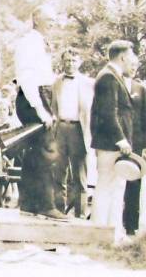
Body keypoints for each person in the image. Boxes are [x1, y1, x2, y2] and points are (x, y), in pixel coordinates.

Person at [13, 5, 65, 220]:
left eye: (54, 20)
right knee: (46, 151)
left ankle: (28, 203)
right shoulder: (29, 42)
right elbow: (26, 77)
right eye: (49, 19)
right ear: (36, 19)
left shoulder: (40, 43)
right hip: (34, 97)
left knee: (34, 153)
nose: (53, 24)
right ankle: (45, 205)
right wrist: (40, 109)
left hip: (43, 95)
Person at [90, 40, 137, 243]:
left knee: (116, 188)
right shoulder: (108, 77)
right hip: (111, 144)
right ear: (123, 56)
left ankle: (113, 232)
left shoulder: (113, 76)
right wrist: (120, 139)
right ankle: (100, 233)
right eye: (131, 55)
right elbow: (109, 113)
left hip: (114, 144)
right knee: (107, 187)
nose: (133, 60)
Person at [49, 47, 93, 219]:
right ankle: (59, 211)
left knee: (80, 174)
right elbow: (52, 106)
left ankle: (80, 213)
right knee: (58, 172)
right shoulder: (56, 82)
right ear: (62, 62)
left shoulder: (89, 83)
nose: (70, 64)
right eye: (67, 60)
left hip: (79, 129)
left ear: (80, 62)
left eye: (74, 60)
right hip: (60, 128)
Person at [122, 56, 146, 236]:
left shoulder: (140, 88)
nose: (133, 68)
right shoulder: (112, 84)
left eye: (136, 65)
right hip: (117, 143)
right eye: (130, 64)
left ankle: (130, 226)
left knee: (134, 184)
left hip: (136, 144)